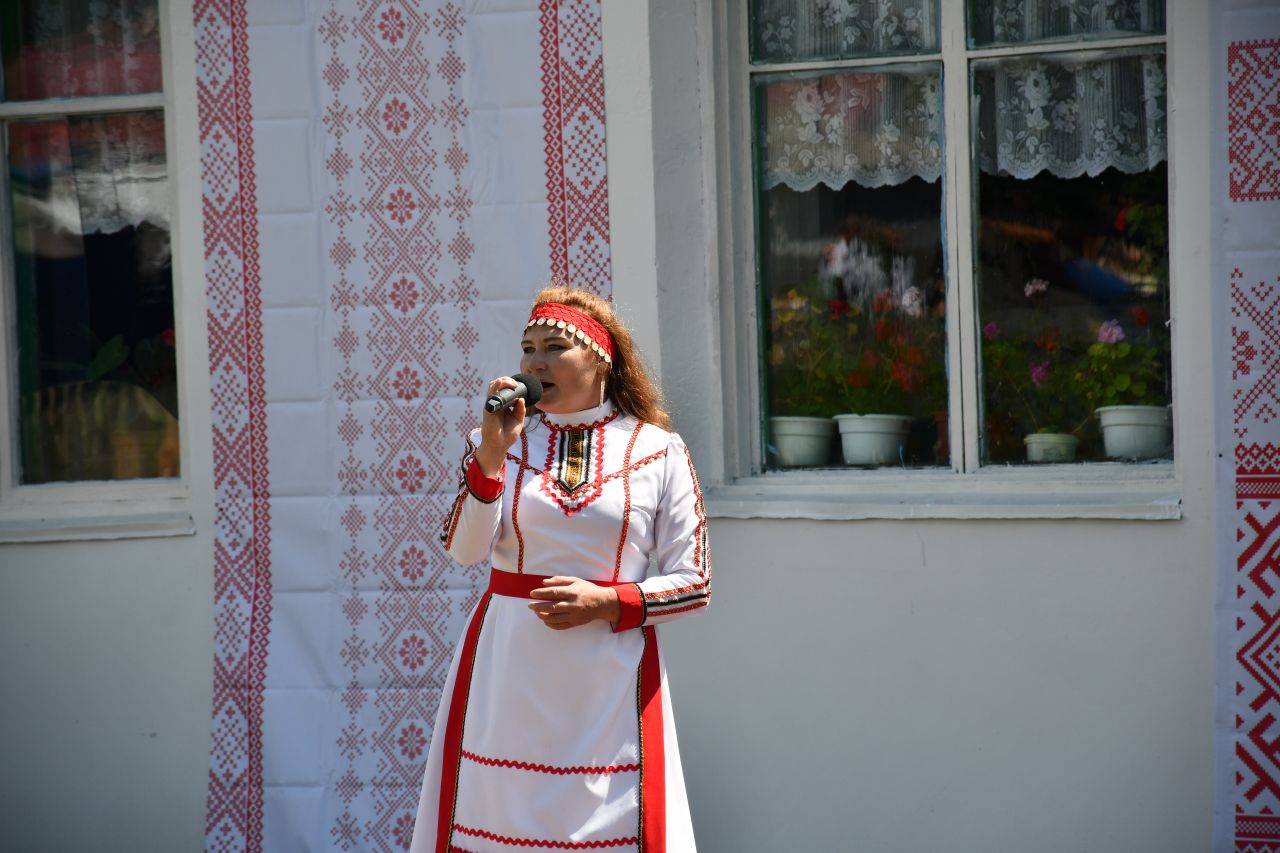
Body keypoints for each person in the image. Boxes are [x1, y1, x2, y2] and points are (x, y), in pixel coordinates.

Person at [409, 284, 710, 853]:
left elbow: (695, 583)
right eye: (528, 349)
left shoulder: (658, 450)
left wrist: (609, 601)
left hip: (609, 678)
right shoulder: (494, 443)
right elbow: (465, 551)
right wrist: (491, 455)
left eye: (554, 347)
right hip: (509, 669)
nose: (535, 363)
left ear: (601, 358)